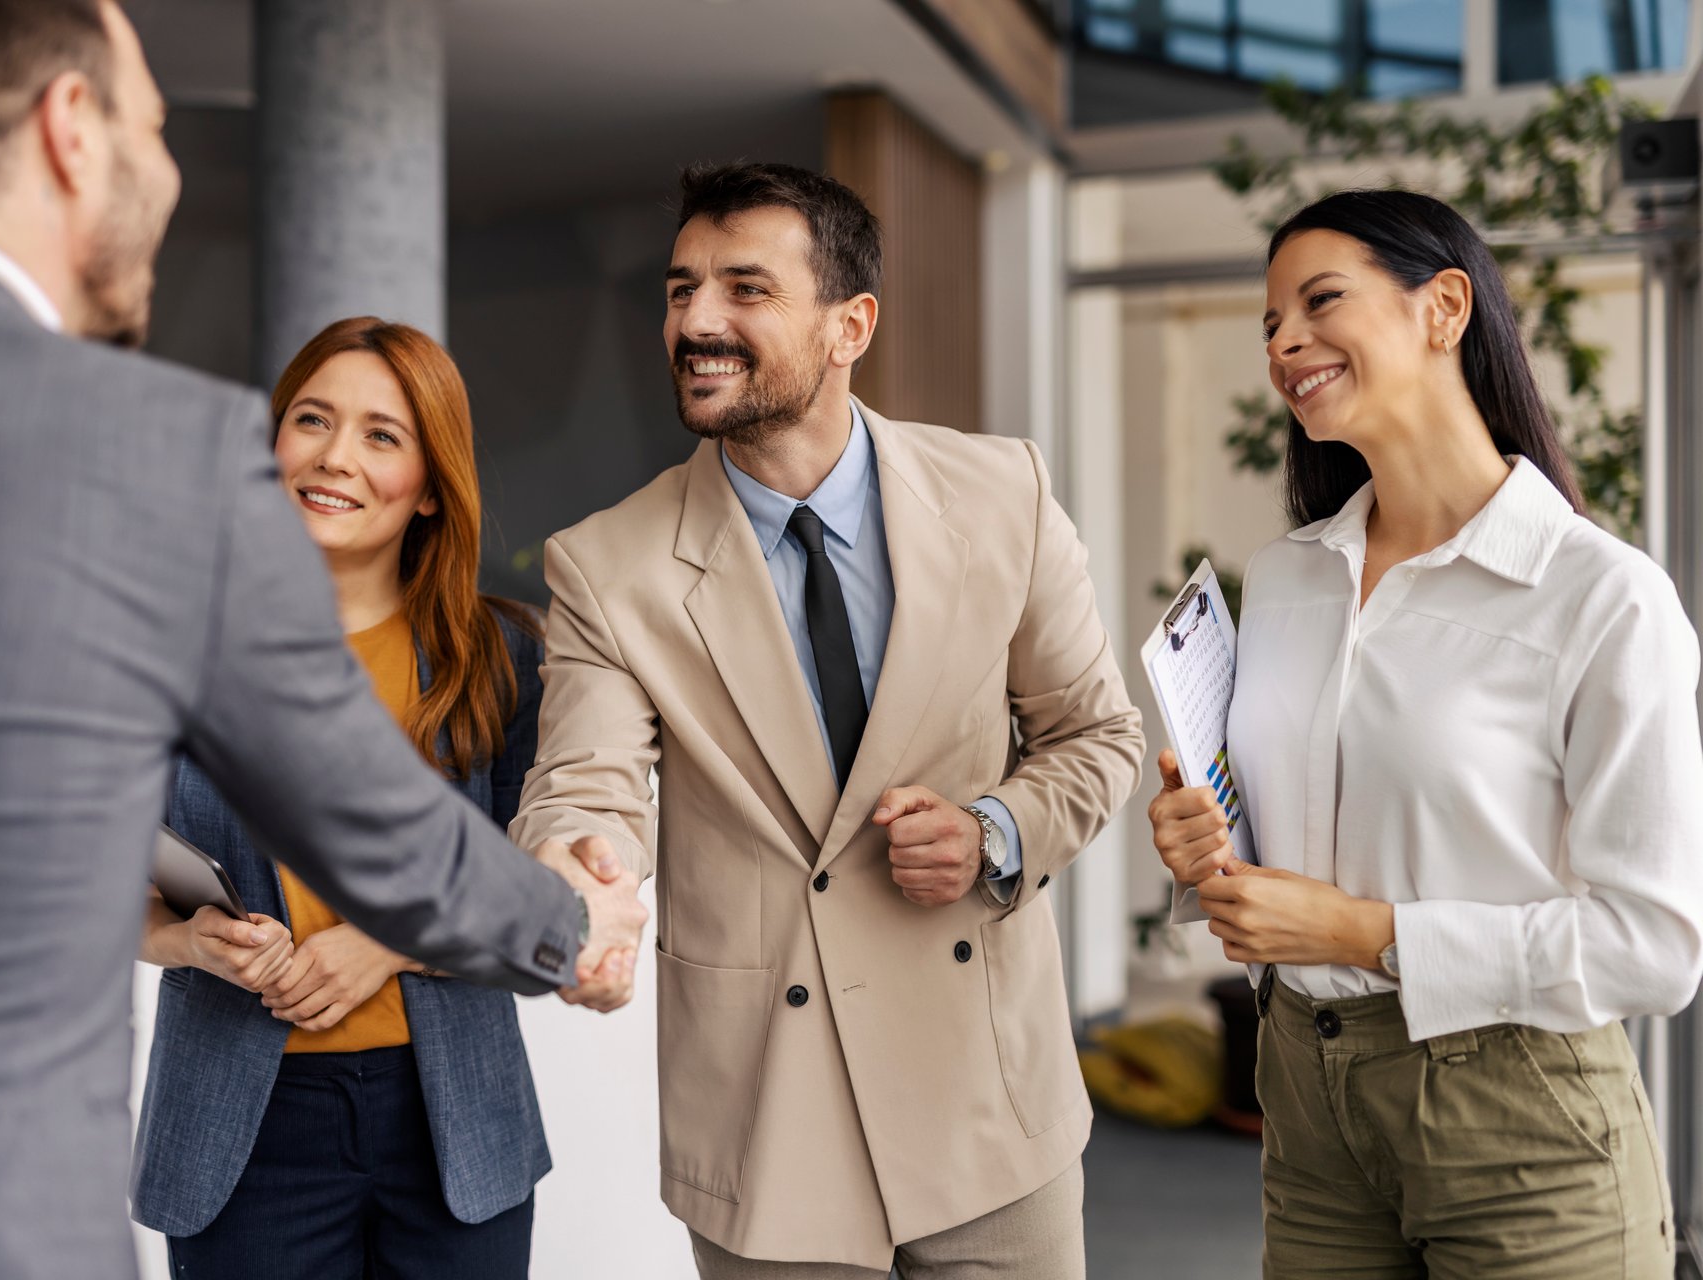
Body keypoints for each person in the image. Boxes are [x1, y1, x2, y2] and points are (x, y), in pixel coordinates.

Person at [0, 4, 644, 1278]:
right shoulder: (158, 454)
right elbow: (383, 833)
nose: (170, 169)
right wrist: (575, 923)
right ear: (71, 131)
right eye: (154, 124)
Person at [511, 161, 1145, 1278]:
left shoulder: (1006, 493)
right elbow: (586, 779)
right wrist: (582, 879)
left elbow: (1097, 735)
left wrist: (996, 829)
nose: (697, 319)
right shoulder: (607, 563)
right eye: (679, 289)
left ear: (850, 324)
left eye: (745, 288)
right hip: (770, 1120)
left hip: (988, 1103)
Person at [1148, 188, 1703, 1278]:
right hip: (1305, 1094)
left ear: (1444, 306)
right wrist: (1208, 850)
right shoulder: (1292, 575)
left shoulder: (1603, 597)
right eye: (1269, 324)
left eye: (1319, 301)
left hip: (1519, 1110)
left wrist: (1361, 929)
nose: (1285, 342)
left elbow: (1656, 941)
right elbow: (1292, 842)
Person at [131, 319, 549, 1278]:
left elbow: (547, 896)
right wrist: (188, 942)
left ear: (434, 487)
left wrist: (389, 940)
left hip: (455, 1127)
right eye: (311, 420)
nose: (332, 457)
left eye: (381, 435)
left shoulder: (502, 658)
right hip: (242, 1132)